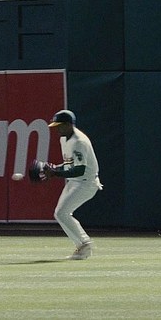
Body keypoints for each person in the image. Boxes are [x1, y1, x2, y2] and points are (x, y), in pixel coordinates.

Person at [47, 109, 103, 260]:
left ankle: (84, 245)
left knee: (62, 213)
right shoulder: (64, 139)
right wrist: (54, 168)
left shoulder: (79, 141)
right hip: (76, 181)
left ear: (69, 124)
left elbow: (79, 170)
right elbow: (69, 164)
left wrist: (55, 173)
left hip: (86, 183)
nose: (57, 129)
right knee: (60, 213)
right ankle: (83, 245)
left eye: (60, 125)